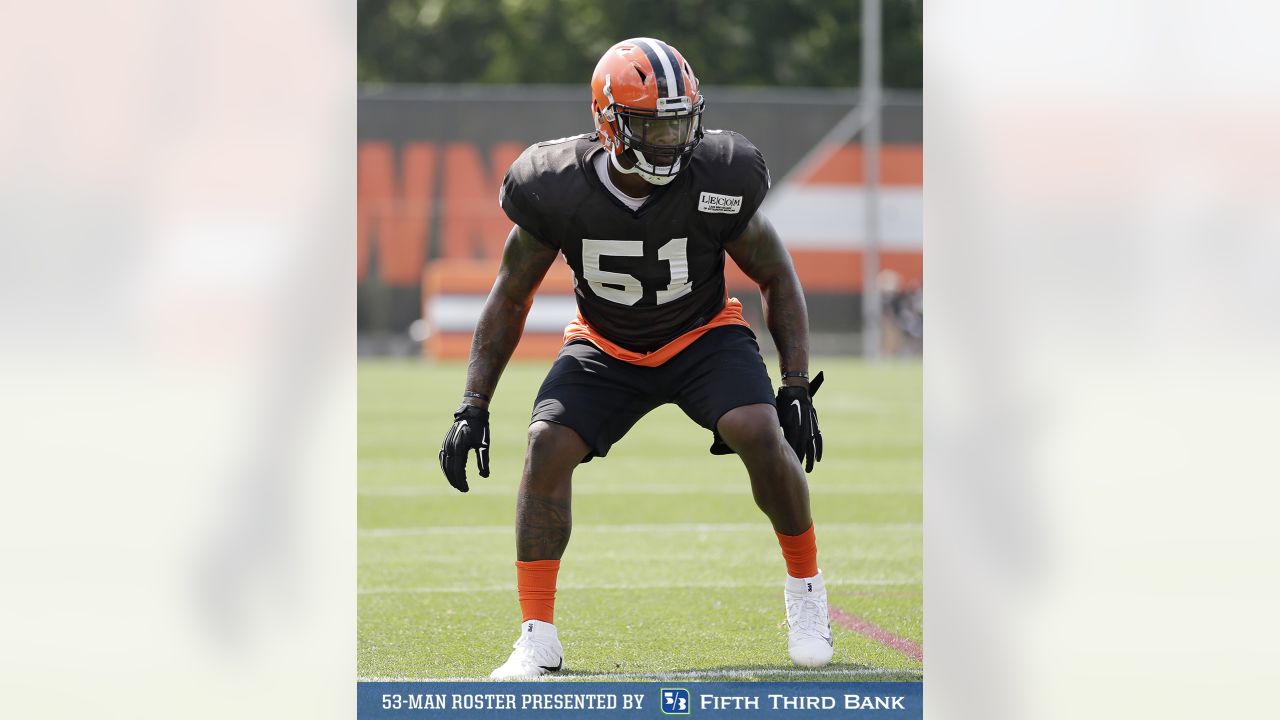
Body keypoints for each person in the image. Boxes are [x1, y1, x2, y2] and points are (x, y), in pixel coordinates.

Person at [438, 37, 831, 679]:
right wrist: (472, 406)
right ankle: (537, 635)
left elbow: (776, 276)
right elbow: (510, 297)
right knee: (545, 444)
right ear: (611, 124)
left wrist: (793, 385)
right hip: (605, 343)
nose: (674, 141)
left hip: (702, 335)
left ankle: (807, 594)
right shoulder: (555, 187)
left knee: (759, 430)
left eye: (682, 123)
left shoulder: (720, 173)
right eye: (655, 126)